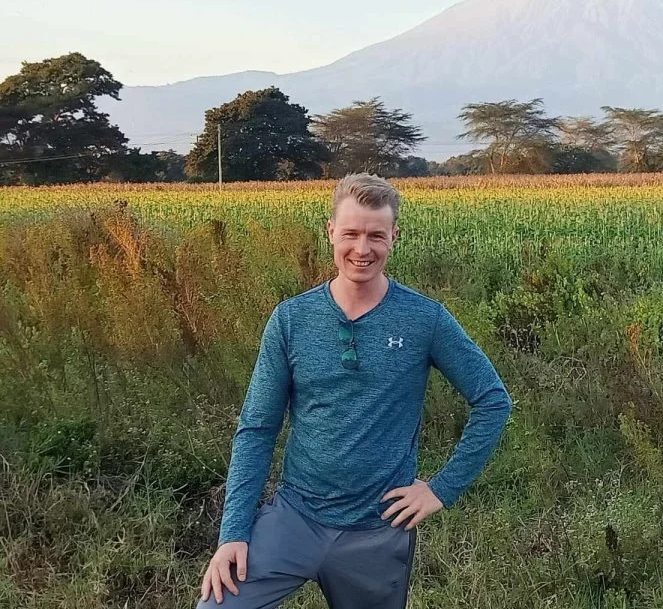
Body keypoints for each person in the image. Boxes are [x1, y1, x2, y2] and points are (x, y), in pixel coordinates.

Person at [197, 173, 513, 608]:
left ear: (393, 238)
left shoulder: (425, 320)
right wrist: (233, 532)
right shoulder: (291, 320)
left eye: (375, 236)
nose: (362, 249)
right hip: (293, 519)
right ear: (331, 233)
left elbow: (493, 400)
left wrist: (441, 489)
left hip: (377, 533)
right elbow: (256, 429)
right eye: (350, 234)